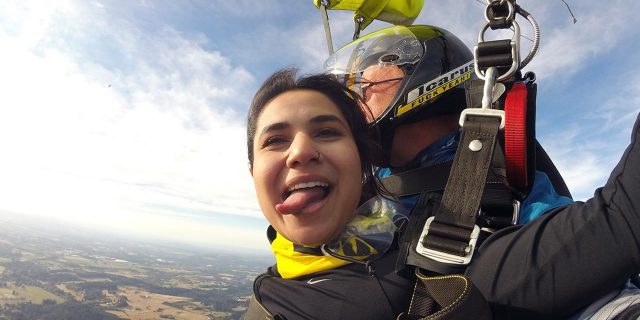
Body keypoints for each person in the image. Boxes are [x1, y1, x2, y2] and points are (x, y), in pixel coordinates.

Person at [324, 24, 640, 319]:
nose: (353, 98)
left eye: (365, 85)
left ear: (417, 77)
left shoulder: (490, 166)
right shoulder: (360, 184)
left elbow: (584, 255)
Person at [244, 68, 421, 319]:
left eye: (327, 132)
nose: (300, 152)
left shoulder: (448, 272)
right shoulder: (277, 282)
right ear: (253, 174)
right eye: (275, 140)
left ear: (362, 161)